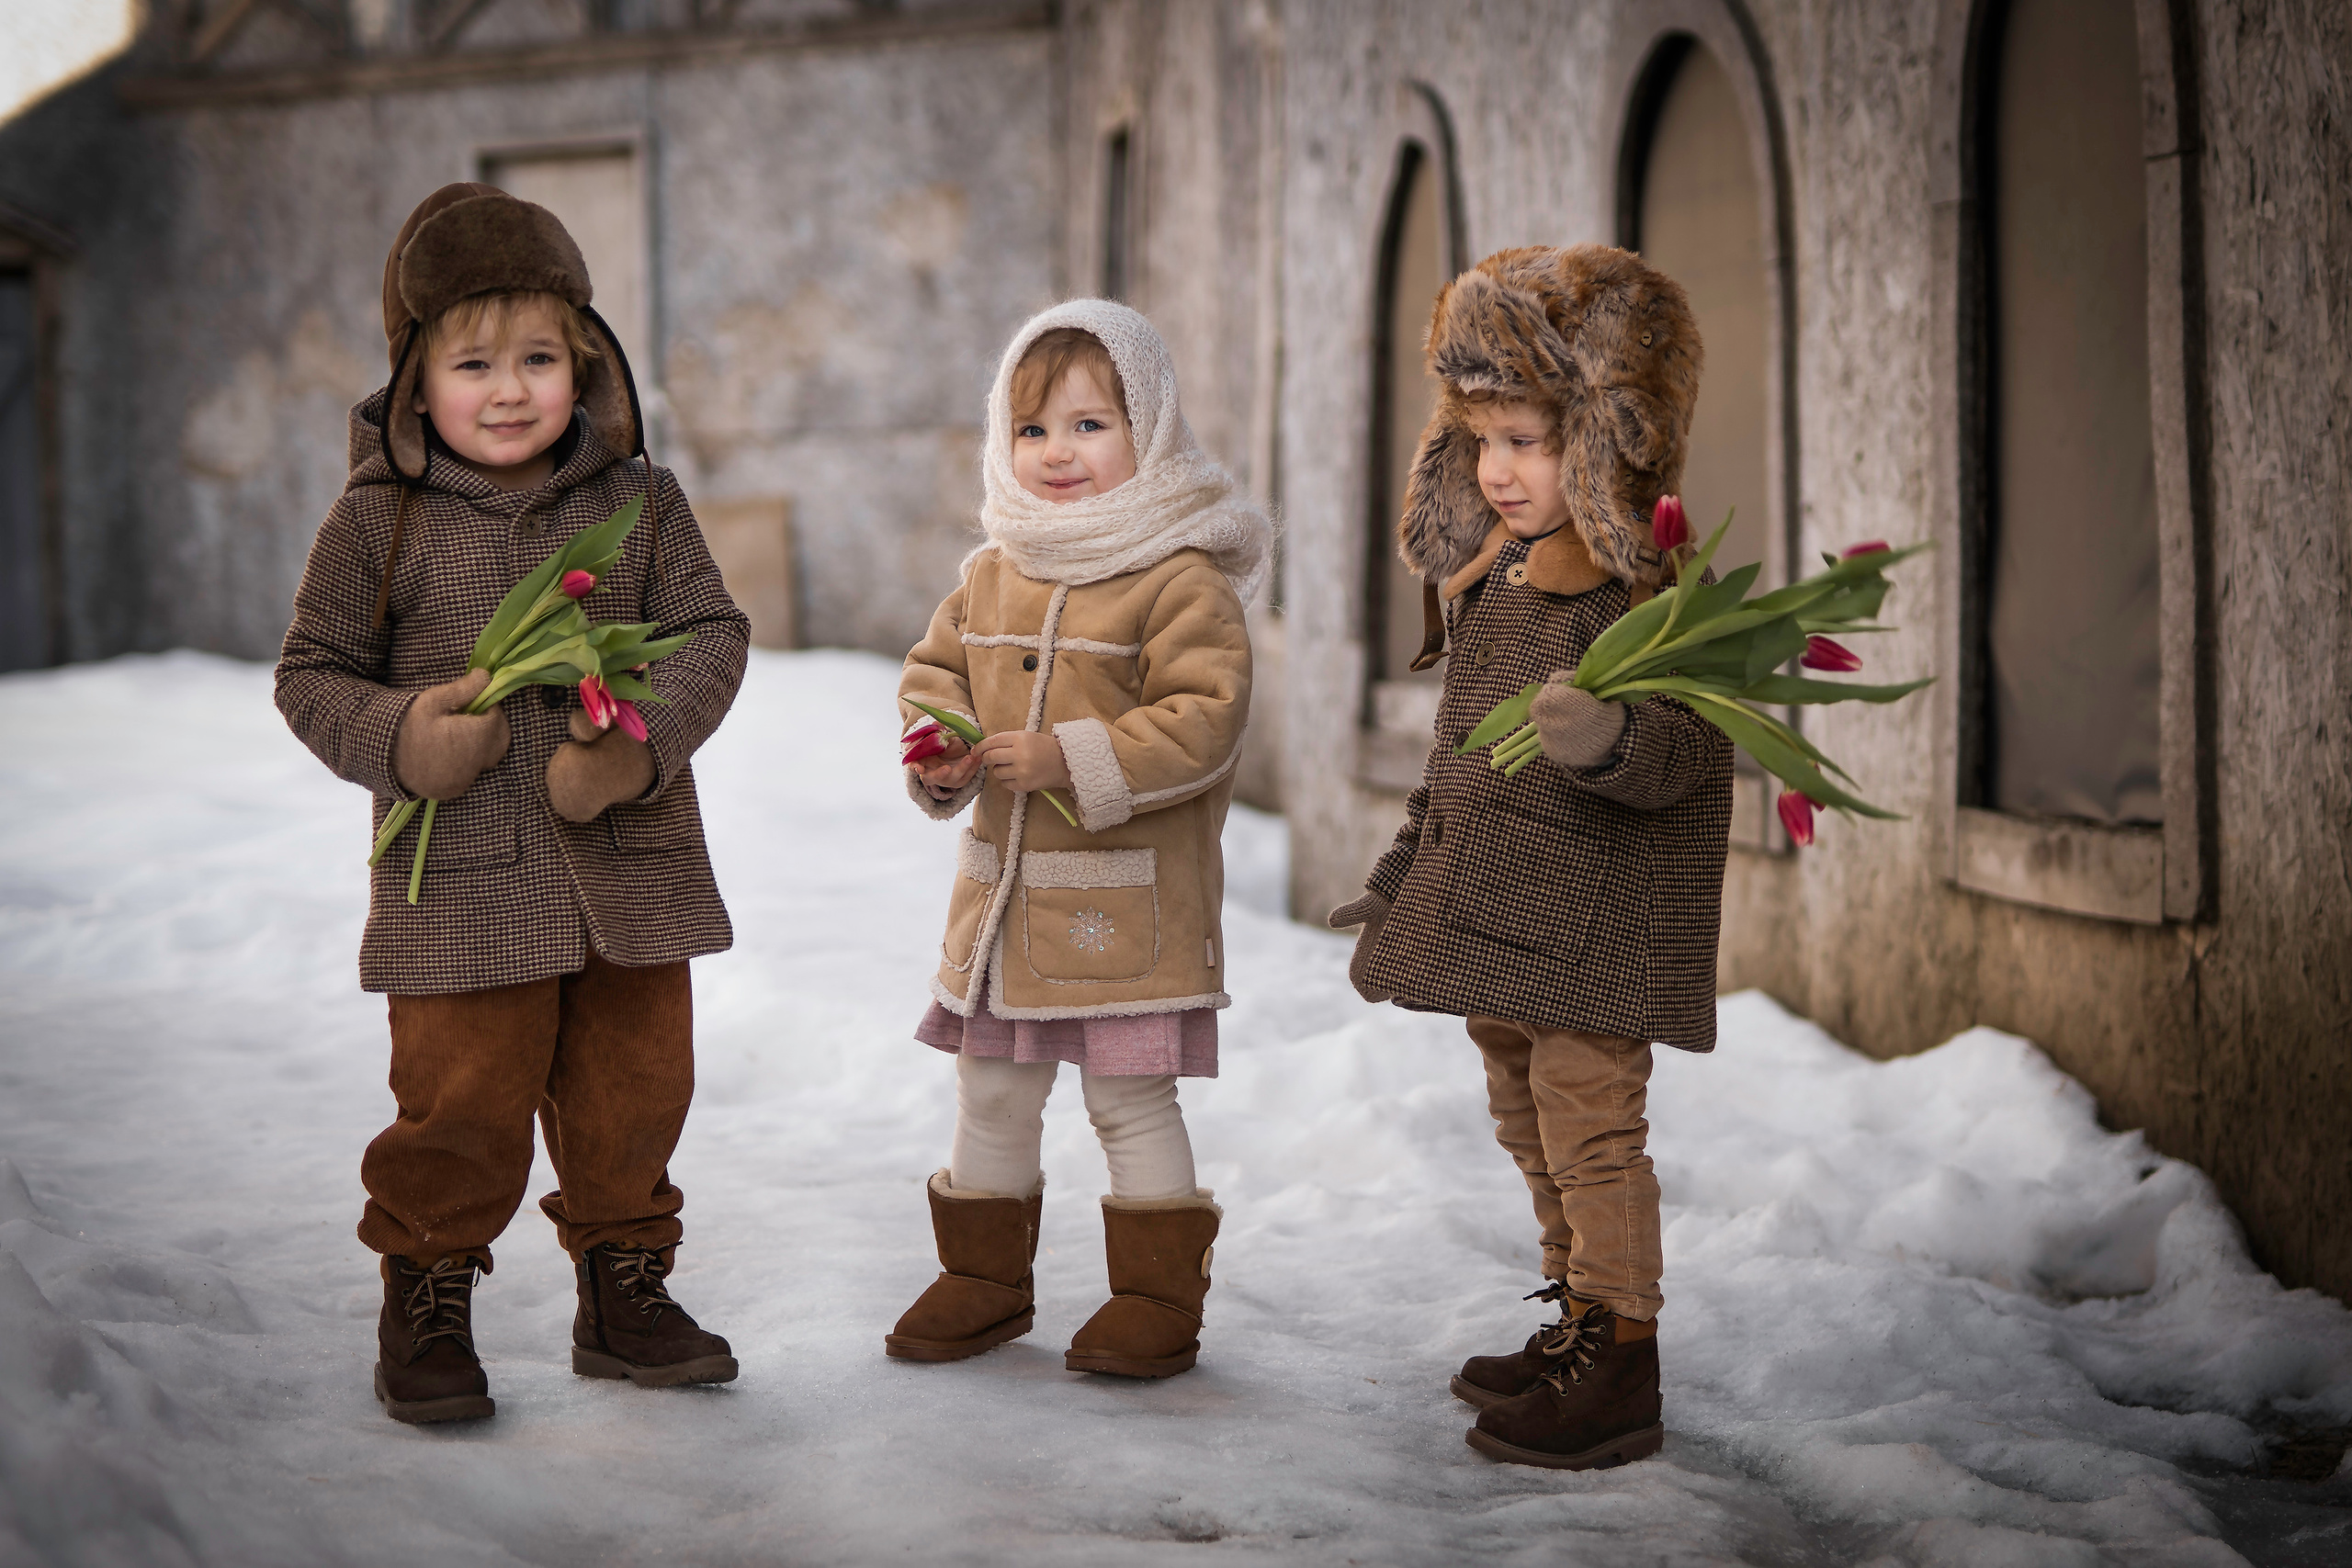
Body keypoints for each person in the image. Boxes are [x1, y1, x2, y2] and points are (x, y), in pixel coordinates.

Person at [274, 183, 751, 1424]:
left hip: (629, 867)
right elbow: (311, 673)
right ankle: (427, 1285)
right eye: (472, 360)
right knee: (460, 1101)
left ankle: (624, 1282)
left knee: (636, 1087)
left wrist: (637, 743)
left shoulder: (640, 503)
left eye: (538, 357)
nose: (507, 388)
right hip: (463, 880)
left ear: (584, 365)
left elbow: (712, 632)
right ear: (413, 378)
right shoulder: (378, 524)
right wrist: (400, 736)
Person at [1329, 244, 1732, 1469]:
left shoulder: (1639, 593)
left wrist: (1613, 735)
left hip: (1590, 924)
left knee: (1593, 1128)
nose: (1499, 471)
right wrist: (1408, 868)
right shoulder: (1501, 580)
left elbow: (1687, 752)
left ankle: (1622, 1355)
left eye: (1530, 442)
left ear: (1604, 444)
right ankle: (1573, 1318)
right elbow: (1462, 755)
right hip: (1504, 918)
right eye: (1483, 440)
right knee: (1526, 1117)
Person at [887, 302, 1270, 1380]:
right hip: (1006, 905)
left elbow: (1206, 718)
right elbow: (935, 676)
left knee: (1126, 1096)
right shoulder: (991, 572)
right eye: (1032, 430)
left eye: (1091, 425)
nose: (1058, 454)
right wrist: (943, 748)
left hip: (1124, 901)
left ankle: (1155, 1297)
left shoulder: (1178, 577)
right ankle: (984, 1277)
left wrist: (1070, 757)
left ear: (1149, 433)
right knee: (994, 1090)